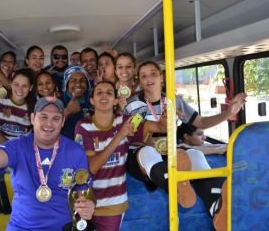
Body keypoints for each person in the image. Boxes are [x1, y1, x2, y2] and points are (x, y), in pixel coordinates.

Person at [125, 60, 246, 231]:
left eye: (153, 73)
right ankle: (175, 186)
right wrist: (145, 139)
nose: (148, 78)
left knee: (195, 155)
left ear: (161, 77)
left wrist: (228, 113)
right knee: (147, 152)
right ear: (139, 81)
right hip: (140, 153)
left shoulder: (174, 101)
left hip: (170, 151)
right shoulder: (131, 105)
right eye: (143, 76)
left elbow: (201, 122)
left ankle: (217, 206)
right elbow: (124, 135)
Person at [0, 97, 95, 230]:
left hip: (63, 228)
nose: (49, 123)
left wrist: (89, 206)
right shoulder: (17, 146)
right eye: (43, 117)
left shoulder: (76, 152)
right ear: (33, 119)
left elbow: (83, 193)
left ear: (63, 122)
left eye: (56, 118)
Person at [74, 80, 166, 231]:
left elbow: (156, 126)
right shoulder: (83, 126)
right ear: (91, 100)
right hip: (85, 201)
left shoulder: (126, 121)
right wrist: (119, 136)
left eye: (109, 92)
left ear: (116, 100)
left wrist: (165, 121)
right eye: (99, 93)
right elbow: (92, 167)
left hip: (113, 205)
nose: (104, 96)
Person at [0, 68, 35, 139]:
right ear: (11, 84)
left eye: (24, 86)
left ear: (31, 87)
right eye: (16, 84)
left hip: (21, 146)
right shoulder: (0, 99)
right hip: (1, 143)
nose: (20, 89)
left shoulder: (34, 106)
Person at [62, 65, 92, 139]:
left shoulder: (92, 101)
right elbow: (51, 127)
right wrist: (68, 111)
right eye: (73, 81)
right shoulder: (58, 102)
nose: (78, 84)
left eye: (82, 80)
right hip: (66, 148)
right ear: (67, 84)